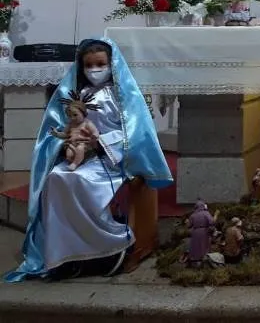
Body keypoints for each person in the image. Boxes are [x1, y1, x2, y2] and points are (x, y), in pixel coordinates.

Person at [5, 38, 173, 281]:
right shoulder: (79, 94)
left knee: (83, 183)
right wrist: (63, 143)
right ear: (81, 67)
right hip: (81, 156)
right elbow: (63, 125)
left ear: (111, 64)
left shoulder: (121, 96)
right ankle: (64, 253)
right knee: (56, 178)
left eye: (100, 64)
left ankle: (109, 246)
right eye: (89, 65)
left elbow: (134, 133)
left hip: (111, 161)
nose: (95, 70)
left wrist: (101, 143)